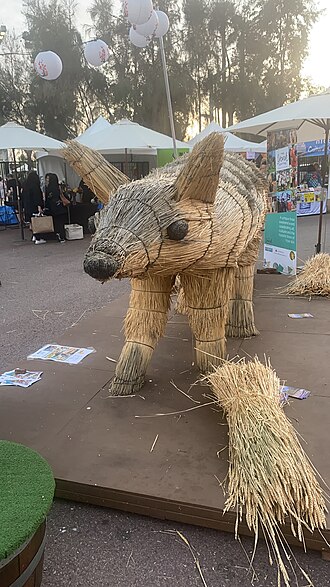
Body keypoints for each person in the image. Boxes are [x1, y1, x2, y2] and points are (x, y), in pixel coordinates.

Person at [43, 173, 68, 243]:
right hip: (60, 207)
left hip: (55, 208)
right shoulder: (58, 187)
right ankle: (61, 236)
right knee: (60, 222)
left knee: (57, 223)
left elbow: (49, 199)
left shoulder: (49, 188)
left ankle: (60, 236)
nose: (47, 180)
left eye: (48, 178)